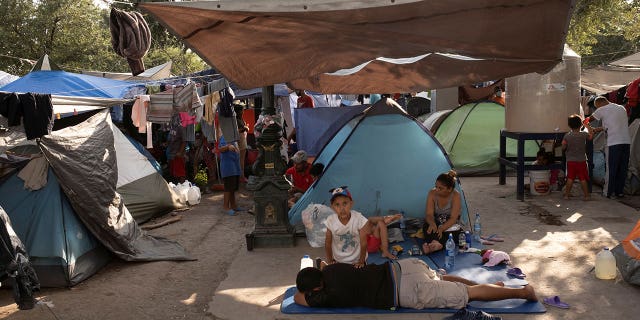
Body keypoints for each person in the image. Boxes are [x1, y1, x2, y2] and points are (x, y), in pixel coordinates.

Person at [294, 258, 538, 310]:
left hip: (406, 291)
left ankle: (524, 292)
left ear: (316, 288)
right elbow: (324, 263)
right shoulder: (333, 268)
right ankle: (496, 288)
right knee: (442, 278)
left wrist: (305, 292)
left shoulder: (329, 295)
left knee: (467, 295)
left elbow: (299, 299)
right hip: (403, 266)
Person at [585, 96, 630, 198]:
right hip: (626, 142)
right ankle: (619, 192)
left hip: (613, 143)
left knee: (611, 169)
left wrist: (588, 128)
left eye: (596, 107)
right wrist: (597, 129)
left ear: (599, 104)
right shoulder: (621, 108)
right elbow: (610, 125)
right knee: (622, 168)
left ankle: (607, 193)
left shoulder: (601, 109)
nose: (597, 109)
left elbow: (587, 120)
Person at [324, 186, 369, 268]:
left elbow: (364, 243)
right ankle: (323, 264)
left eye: (345, 203)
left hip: (357, 260)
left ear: (351, 203)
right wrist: (330, 260)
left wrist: (361, 261)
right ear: (332, 207)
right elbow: (327, 243)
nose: (342, 208)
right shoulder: (330, 221)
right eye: (337, 205)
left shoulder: (358, 218)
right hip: (338, 260)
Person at [422, 170, 462, 254]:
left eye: (440, 188)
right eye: (436, 186)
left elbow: (454, 218)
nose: (437, 190)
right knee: (428, 227)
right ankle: (436, 244)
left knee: (455, 233)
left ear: (449, 189)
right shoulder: (432, 193)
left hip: (450, 223)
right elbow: (429, 214)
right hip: (437, 221)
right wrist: (432, 223)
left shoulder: (455, 195)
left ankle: (435, 243)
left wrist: (442, 228)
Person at [562, 114, 594, 200]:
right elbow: (590, 137)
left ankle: (566, 195)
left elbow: (563, 147)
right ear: (581, 125)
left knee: (570, 178)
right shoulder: (584, 134)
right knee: (582, 178)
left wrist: (565, 146)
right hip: (582, 161)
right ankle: (587, 196)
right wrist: (588, 126)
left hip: (571, 161)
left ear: (569, 125)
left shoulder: (567, 136)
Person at [217, 127, 242, 215]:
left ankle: (233, 205)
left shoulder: (234, 139)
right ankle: (226, 206)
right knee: (228, 188)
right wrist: (228, 147)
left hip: (234, 167)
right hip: (228, 167)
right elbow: (220, 149)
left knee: (232, 188)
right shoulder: (225, 137)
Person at [166, 114, 187, 183]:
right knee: (175, 173)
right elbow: (171, 139)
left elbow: (184, 141)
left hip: (178, 154)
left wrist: (180, 152)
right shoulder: (172, 127)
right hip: (172, 154)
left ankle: (183, 187)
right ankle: (179, 187)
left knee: (180, 173)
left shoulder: (181, 127)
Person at [234, 102, 250, 183]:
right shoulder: (236, 119)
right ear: (238, 111)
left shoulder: (239, 119)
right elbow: (237, 131)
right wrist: (245, 128)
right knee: (241, 160)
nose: (243, 112)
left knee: (241, 160)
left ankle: (241, 176)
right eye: (242, 110)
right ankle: (241, 176)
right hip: (240, 140)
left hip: (242, 140)